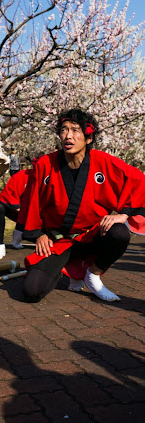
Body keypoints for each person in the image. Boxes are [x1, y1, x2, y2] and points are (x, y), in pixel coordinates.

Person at [18, 109, 145, 303]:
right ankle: (66, 270)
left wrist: (124, 214)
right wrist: (39, 234)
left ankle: (93, 275)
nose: (68, 136)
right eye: (64, 130)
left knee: (119, 233)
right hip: (59, 241)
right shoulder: (45, 164)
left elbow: (138, 181)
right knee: (32, 291)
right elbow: (31, 201)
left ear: (88, 137)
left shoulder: (103, 162)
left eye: (75, 130)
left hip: (93, 235)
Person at [0, 169, 30, 260]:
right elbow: (8, 194)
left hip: (36, 216)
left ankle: (19, 234)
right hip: (17, 210)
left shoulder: (48, 179)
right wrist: (19, 209)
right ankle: (0, 246)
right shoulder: (21, 175)